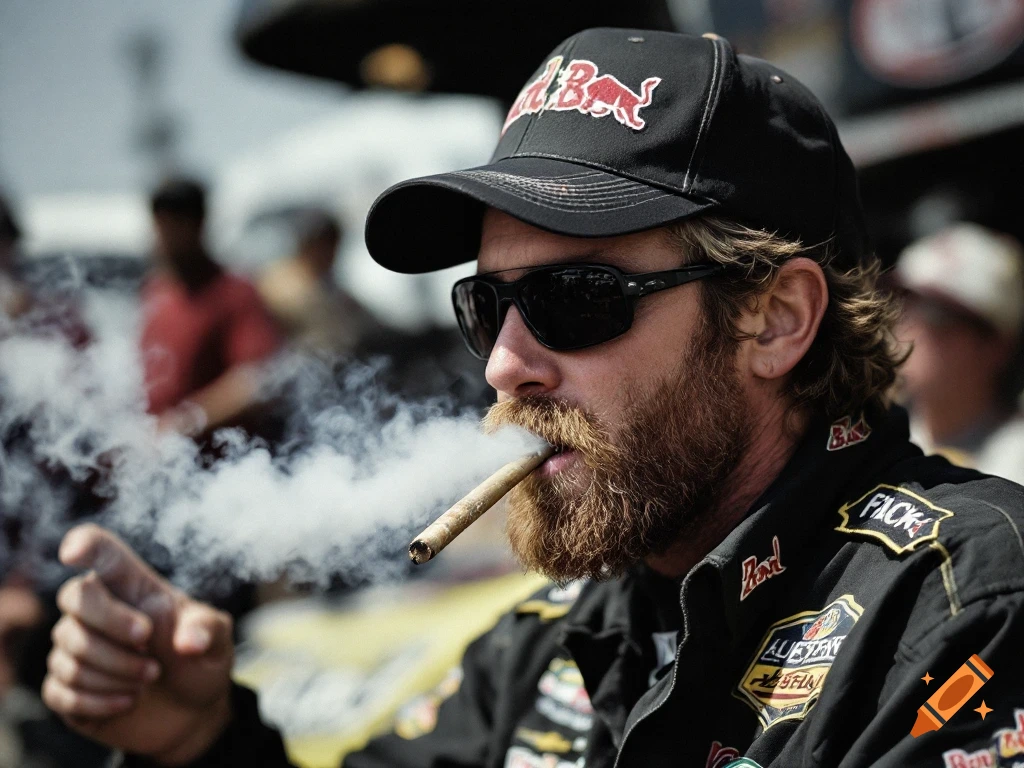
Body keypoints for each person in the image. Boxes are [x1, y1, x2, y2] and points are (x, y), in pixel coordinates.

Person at [41, 29, 1024, 768]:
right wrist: (203, 738)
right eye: (487, 304)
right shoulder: (569, 626)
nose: (504, 364)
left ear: (772, 321)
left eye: (573, 300)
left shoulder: (964, 608)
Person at [141, 178, 281, 437]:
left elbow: (254, 381)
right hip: (159, 460)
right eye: (160, 224)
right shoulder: (155, 290)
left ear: (199, 224)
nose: (165, 236)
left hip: (213, 462)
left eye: (175, 224)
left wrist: (184, 422)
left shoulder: (234, 292)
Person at [894, 223, 1024, 484]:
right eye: (902, 302)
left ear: (995, 347)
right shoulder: (868, 438)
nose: (912, 325)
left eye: (938, 316)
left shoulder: (1016, 462)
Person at [258, 208, 380, 358]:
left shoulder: (327, 282)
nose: (332, 253)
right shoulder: (280, 283)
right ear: (311, 243)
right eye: (328, 245)